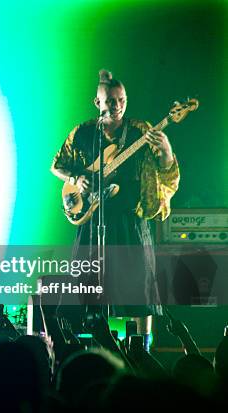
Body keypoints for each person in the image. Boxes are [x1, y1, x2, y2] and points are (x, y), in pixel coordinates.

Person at [50, 69, 180, 339]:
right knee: (85, 287)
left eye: (121, 100)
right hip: (93, 218)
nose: (117, 106)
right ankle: (91, 344)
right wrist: (77, 177)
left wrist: (166, 150)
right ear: (97, 103)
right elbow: (57, 166)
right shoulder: (84, 132)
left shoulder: (140, 130)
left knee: (140, 289)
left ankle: (140, 348)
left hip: (129, 218)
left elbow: (166, 169)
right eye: (110, 101)